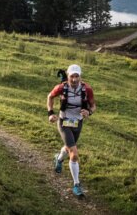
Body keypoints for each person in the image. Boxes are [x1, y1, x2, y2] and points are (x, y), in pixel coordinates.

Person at [47, 64, 96, 196]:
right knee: (74, 154)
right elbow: (50, 97)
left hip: (78, 123)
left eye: (77, 76)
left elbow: (93, 105)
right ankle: (76, 185)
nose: (74, 79)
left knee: (68, 147)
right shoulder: (61, 88)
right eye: (71, 76)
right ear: (68, 76)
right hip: (64, 122)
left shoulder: (87, 89)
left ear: (80, 76)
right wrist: (50, 113)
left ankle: (59, 159)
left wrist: (89, 112)